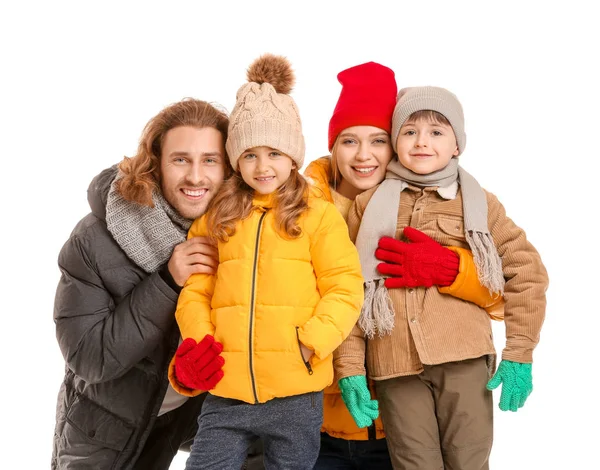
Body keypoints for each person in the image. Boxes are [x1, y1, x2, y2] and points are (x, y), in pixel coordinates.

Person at [335, 86, 548, 469]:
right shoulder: (367, 207)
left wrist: (520, 353)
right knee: (415, 463)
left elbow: (526, 272)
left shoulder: (479, 202)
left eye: (436, 131)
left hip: (463, 358)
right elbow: (349, 290)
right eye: (409, 131)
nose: (421, 142)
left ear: (457, 146)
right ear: (395, 141)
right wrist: (350, 368)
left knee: (468, 461)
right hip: (395, 365)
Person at [168, 54, 364, 470]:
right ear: (236, 159)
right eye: (250, 154)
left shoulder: (316, 213)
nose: (262, 166)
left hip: (297, 387)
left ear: (292, 156)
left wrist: (312, 340)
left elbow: (345, 284)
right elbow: (197, 289)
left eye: (274, 152)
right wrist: (201, 340)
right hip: (226, 387)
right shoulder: (217, 214)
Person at [306, 63, 504, 469]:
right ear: (332, 146)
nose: (364, 156)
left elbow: (502, 299)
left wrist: (452, 270)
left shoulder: (433, 206)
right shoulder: (301, 212)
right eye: (348, 141)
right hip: (322, 424)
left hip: (402, 423)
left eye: (378, 140)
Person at [52, 98, 263, 469]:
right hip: (106, 425)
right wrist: (167, 281)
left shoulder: (240, 233)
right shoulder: (95, 237)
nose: (196, 177)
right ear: (156, 164)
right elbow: (89, 357)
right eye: (180, 159)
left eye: (210, 160)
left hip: (191, 414)